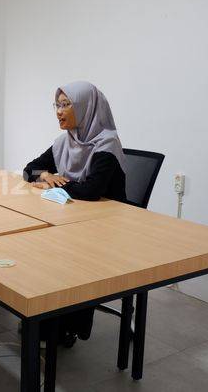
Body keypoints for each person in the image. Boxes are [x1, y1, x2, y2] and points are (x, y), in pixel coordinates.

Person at [23, 81, 127, 345]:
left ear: (86, 107)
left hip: (107, 228)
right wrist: (47, 174)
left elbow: (92, 190)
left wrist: (56, 181)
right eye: (57, 105)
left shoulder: (107, 144)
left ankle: (66, 325)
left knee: (62, 256)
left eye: (66, 104)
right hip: (74, 219)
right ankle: (47, 320)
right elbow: (30, 169)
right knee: (41, 251)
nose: (59, 111)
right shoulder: (65, 141)